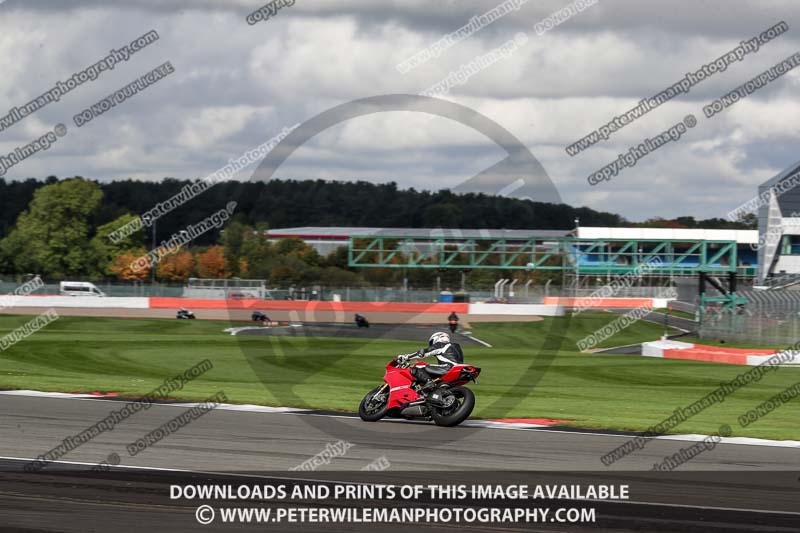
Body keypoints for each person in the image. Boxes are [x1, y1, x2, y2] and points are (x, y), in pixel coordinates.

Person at [397, 331, 464, 393]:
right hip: (459, 370)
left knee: (416, 367)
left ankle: (429, 382)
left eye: (432, 342)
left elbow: (422, 353)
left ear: (438, 338)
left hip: (449, 368)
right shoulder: (456, 347)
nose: (432, 345)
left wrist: (406, 357)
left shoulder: (441, 345)